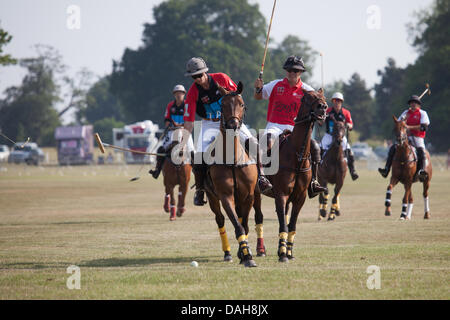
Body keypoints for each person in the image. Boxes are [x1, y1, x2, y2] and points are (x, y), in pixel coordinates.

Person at [182, 57, 272, 206]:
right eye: (194, 77)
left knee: (254, 144)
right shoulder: (192, 93)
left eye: (200, 75)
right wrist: (184, 143)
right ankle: (200, 191)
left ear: (206, 72)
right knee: (199, 157)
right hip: (209, 124)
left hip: (231, 119)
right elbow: (189, 122)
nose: (198, 79)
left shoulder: (221, 79)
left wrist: (236, 116)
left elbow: (237, 96)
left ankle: (261, 178)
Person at [254, 55, 327, 195]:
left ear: (301, 72)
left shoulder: (307, 90)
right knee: (266, 142)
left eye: (296, 71)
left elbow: (320, 107)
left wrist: (321, 100)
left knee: (315, 147)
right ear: (286, 71)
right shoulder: (276, 84)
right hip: (275, 125)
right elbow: (258, 96)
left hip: (296, 128)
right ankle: (262, 177)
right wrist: (257, 88)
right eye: (290, 70)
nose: (292, 73)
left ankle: (314, 182)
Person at [378, 95, 430, 181]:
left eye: (415, 103)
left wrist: (409, 127)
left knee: (421, 151)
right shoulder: (406, 113)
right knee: (393, 148)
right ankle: (386, 169)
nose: (413, 104)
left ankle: (421, 171)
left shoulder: (422, 113)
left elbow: (424, 127)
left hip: (418, 137)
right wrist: (402, 123)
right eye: (411, 103)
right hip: (406, 137)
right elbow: (398, 123)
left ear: (418, 105)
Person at [149, 84, 195, 179]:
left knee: (192, 151)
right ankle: (157, 170)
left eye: (181, 93)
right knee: (161, 149)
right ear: (174, 94)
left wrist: (182, 126)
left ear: (184, 94)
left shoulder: (187, 105)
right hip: (172, 131)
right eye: (177, 93)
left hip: (185, 131)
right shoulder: (170, 105)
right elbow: (166, 119)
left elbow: (189, 121)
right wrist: (168, 124)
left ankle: (197, 173)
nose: (179, 95)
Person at [320, 92, 359, 180]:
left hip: (341, 137)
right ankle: (317, 169)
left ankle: (353, 171)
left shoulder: (346, 113)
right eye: (335, 100)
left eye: (338, 101)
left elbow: (351, 124)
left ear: (341, 102)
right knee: (319, 148)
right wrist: (321, 120)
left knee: (349, 151)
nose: (336, 102)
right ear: (333, 102)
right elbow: (321, 121)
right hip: (329, 135)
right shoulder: (328, 111)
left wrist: (349, 125)